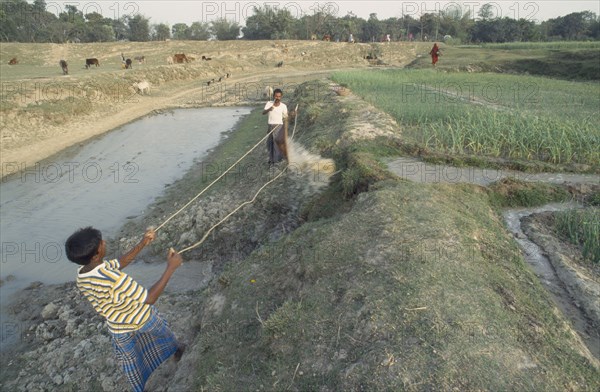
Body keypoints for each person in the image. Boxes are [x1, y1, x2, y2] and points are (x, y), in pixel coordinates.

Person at [65, 227, 185, 392]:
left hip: (119, 328)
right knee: (165, 335)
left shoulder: (83, 273)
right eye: (101, 243)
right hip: (142, 318)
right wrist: (170, 268)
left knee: (134, 363)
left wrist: (143, 243)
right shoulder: (113, 279)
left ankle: (141, 386)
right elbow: (149, 298)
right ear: (96, 255)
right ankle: (177, 352)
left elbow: (120, 262)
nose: (105, 242)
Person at [262, 88, 297, 165]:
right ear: (273, 96)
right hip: (270, 126)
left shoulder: (283, 106)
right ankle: (271, 159)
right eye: (276, 96)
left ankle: (276, 161)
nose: (277, 98)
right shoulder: (269, 103)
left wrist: (292, 114)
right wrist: (269, 109)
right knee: (269, 143)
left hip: (279, 127)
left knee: (276, 143)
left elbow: (286, 117)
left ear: (281, 97)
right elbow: (263, 112)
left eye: (279, 96)